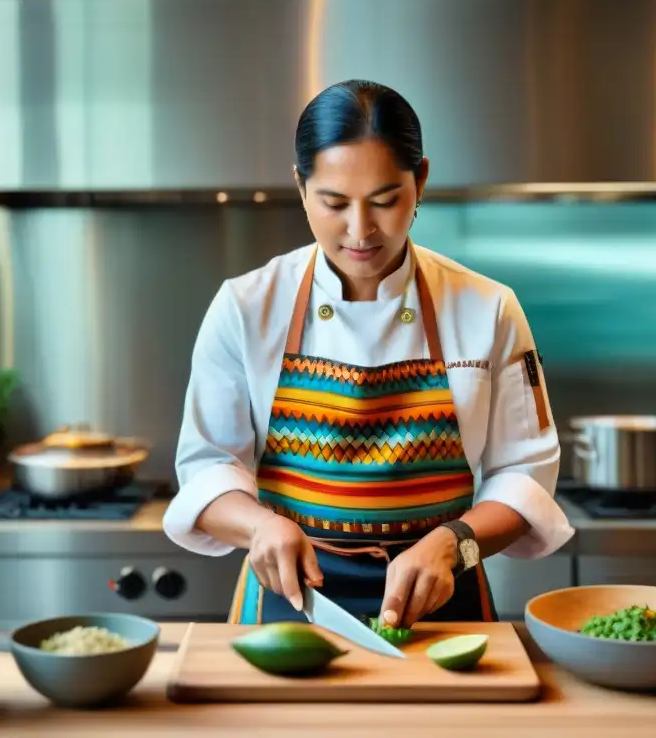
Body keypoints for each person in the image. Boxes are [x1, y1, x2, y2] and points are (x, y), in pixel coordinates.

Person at [162, 79, 574, 628]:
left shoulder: (488, 308)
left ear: (420, 180)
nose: (360, 230)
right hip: (291, 608)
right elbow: (208, 466)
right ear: (300, 186)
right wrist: (259, 526)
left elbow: (524, 476)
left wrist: (455, 545)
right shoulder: (246, 307)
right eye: (334, 203)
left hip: (444, 606)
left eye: (385, 201)